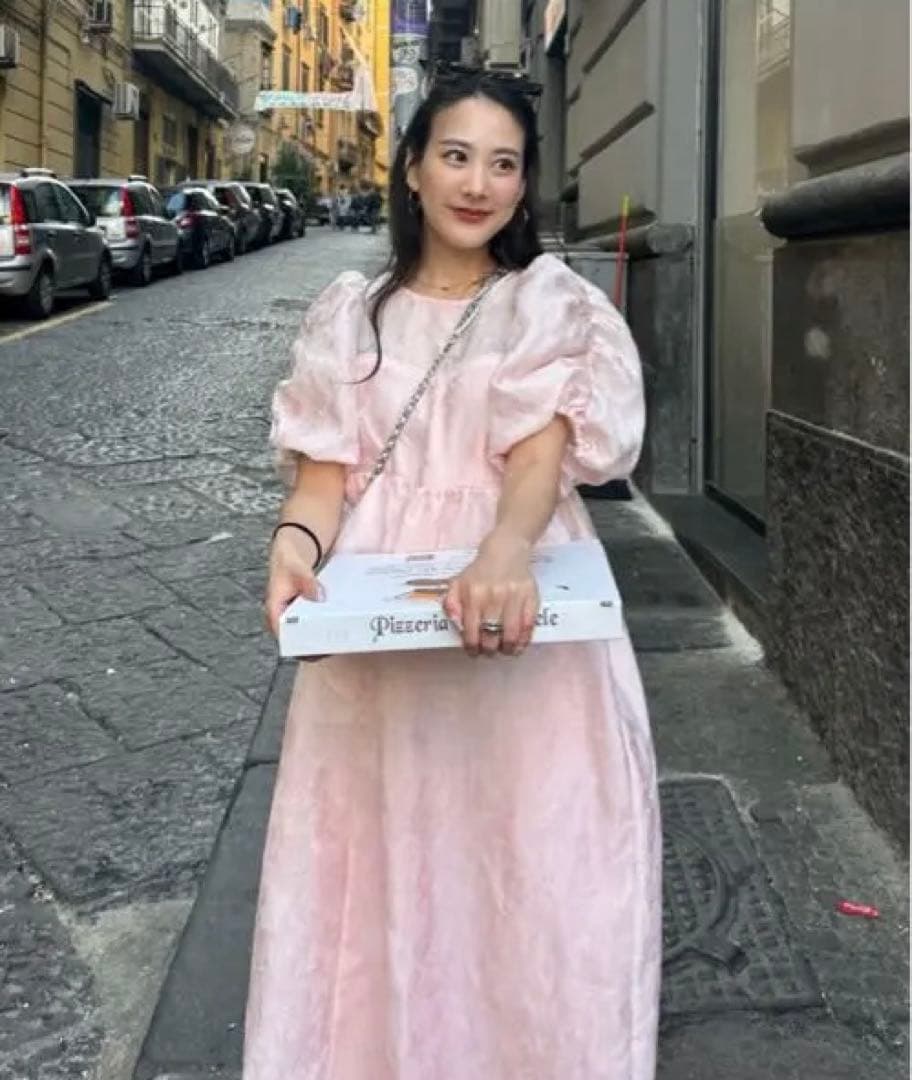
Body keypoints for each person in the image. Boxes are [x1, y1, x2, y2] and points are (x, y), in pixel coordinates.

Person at [245, 70, 661, 1080]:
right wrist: (294, 545)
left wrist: (507, 550)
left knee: (533, 865)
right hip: (380, 641)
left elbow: (538, 456)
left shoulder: (544, 304)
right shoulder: (350, 315)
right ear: (414, 169)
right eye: (457, 156)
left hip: (520, 616)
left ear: (524, 184)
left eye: (504, 163)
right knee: (380, 866)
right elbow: (325, 479)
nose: (479, 184)